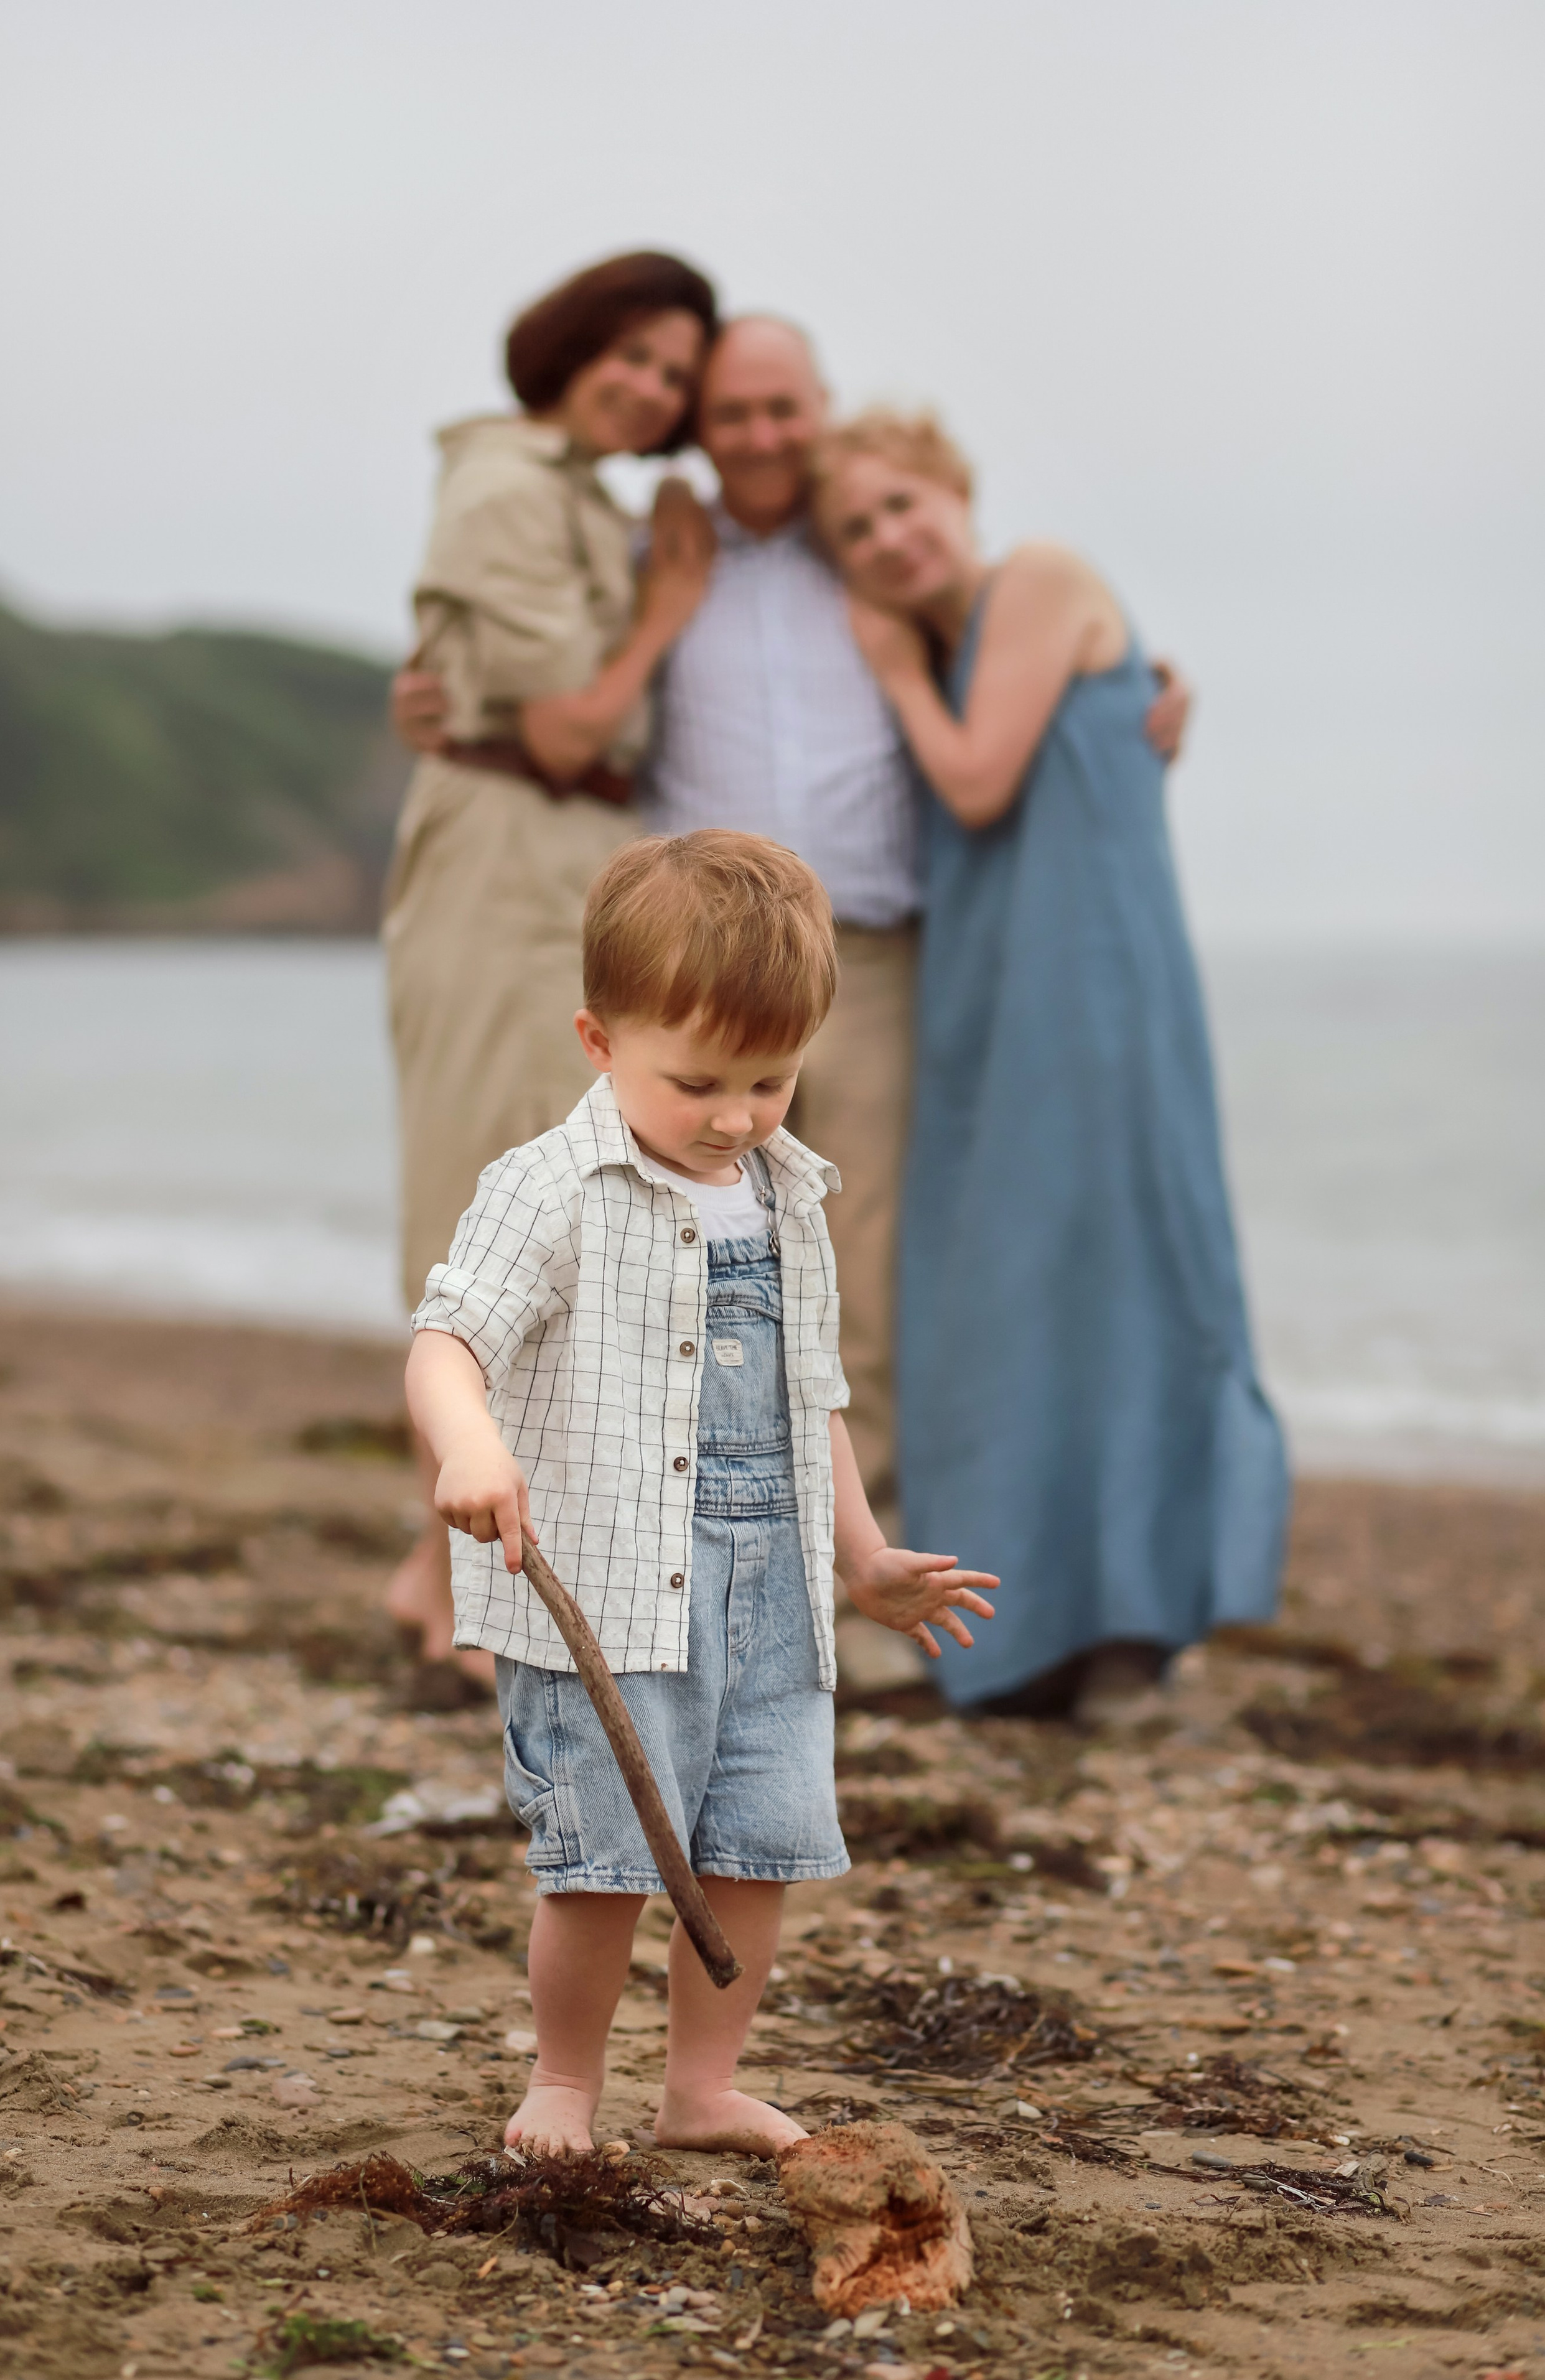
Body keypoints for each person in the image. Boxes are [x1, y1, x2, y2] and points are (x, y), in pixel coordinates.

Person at [391, 317, 1191, 1671]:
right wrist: (438, 707)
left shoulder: (875, 559)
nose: (760, 437)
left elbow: (1014, 639)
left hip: (861, 959)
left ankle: (832, 1597)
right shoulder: (658, 554)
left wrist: (1144, 684)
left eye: (785, 412)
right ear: (702, 425)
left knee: (838, 1270)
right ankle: (554, 1580)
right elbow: (538, 678)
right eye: (735, 412)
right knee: (615, 1264)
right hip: (689, 971)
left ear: (817, 416)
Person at [405, 831, 996, 2155]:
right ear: (596, 1038)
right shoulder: (548, 1187)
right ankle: (563, 2081)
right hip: (607, 1586)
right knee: (605, 1861)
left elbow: (811, 1399)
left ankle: (699, 2088)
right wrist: (467, 1446)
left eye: (770, 1080)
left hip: (770, 1583)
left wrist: (859, 1556)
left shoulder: (789, 1194)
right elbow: (447, 1341)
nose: (735, 1116)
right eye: (698, 1082)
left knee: (758, 1847)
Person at [812, 410, 1289, 1726]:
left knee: (1122, 1279)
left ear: (955, 491)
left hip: (1088, 990)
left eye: (903, 504)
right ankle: (1024, 1631)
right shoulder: (955, 633)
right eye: (854, 532)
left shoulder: (1035, 580)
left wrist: (891, 665)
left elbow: (974, 782)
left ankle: (1135, 1627)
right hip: (981, 989)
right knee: (1000, 1300)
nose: (887, 538)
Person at [381, 250, 719, 1683]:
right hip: (507, 852)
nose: (646, 388)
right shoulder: (513, 482)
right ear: (569, 343)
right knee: (493, 1185)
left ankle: (433, 1570)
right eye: (630, 354)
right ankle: (452, 1574)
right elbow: (573, 732)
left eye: (671, 375)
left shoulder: (572, 491)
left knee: (553, 1190)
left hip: (554, 851)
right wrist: (666, 607)